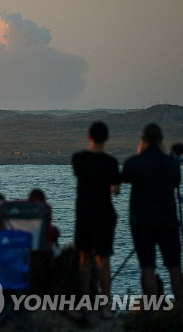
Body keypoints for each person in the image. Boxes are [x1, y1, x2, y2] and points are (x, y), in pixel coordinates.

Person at [121, 123, 183, 305]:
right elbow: (175, 182)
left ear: (143, 140)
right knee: (174, 267)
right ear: (161, 140)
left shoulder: (134, 163)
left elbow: (124, 178)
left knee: (147, 267)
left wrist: (140, 152)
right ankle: (180, 313)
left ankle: (151, 311)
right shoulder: (172, 164)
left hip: (142, 222)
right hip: (167, 221)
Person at [71, 121, 120, 319]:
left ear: (88, 136)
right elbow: (115, 190)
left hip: (84, 214)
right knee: (103, 261)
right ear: (106, 138)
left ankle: (83, 304)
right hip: (104, 215)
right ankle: (105, 306)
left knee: (84, 259)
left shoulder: (78, 159)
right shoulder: (110, 163)